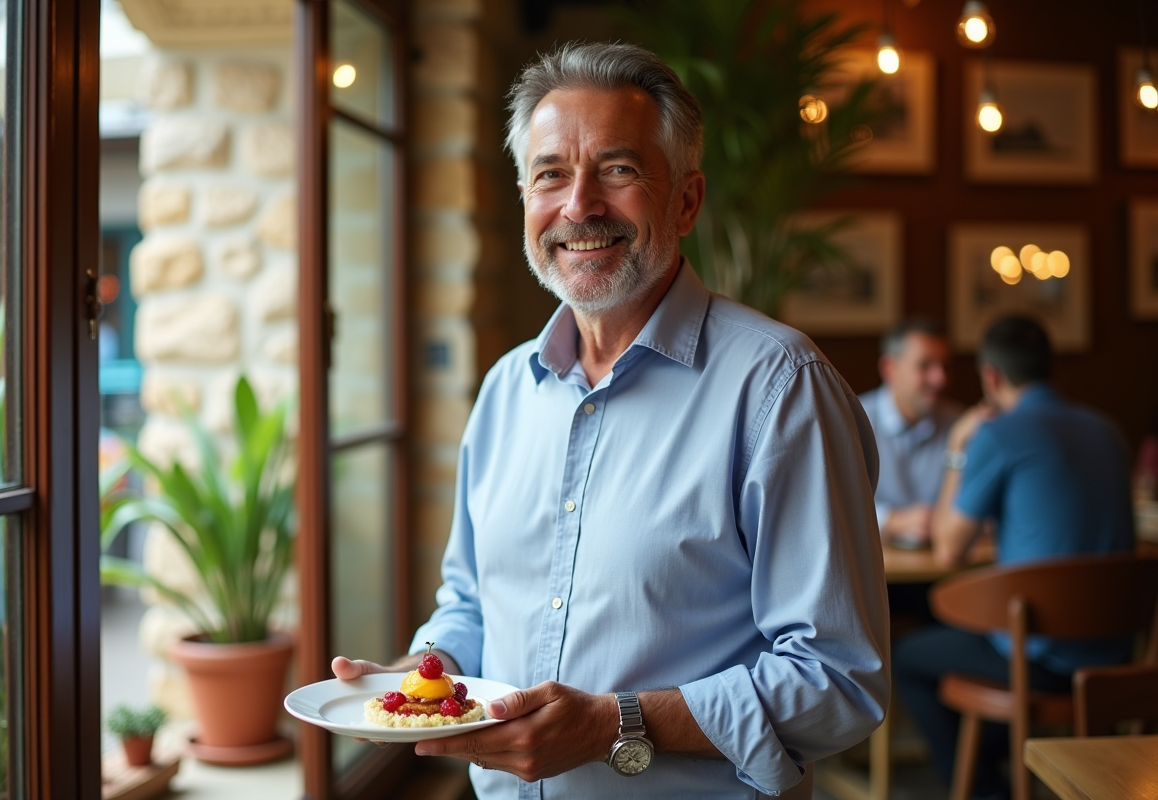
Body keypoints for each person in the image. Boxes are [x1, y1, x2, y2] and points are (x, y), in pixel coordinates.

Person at [333, 42, 890, 800]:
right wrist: (424, 675)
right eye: (551, 174)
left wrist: (614, 722)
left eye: (619, 171)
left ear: (686, 201)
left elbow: (838, 681)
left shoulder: (780, 388)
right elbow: (469, 602)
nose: (579, 206)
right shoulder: (504, 392)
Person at [893, 315, 1136, 800]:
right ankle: (999, 761)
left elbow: (947, 546)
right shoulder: (1108, 430)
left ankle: (985, 791)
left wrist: (957, 448)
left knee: (907, 658)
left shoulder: (997, 435)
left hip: (1040, 659)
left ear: (992, 378)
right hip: (1118, 654)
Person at [859, 319, 960, 549]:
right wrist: (891, 521)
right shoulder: (853, 421)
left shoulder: (960, 425)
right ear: (889, 369)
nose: (940, 379)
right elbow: (832, 503)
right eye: (925, 366)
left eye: (945, 366)